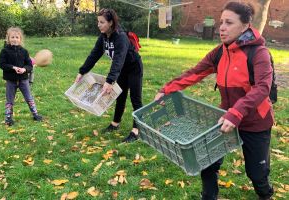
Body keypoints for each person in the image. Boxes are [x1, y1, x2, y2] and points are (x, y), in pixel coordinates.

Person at [154, 2, 274, 200]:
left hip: (255, 122)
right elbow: (195, 73)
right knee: (208, 162)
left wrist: (237, 112)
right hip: (223, 119)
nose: (222, 28)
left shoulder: (258, 53)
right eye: (221, 22)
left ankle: (265, 195)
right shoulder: (220, 52)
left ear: (245, 26)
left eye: (229, 23)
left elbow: (263, 87)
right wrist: (167, 89)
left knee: (257, 173)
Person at [75, 8, 143, 143]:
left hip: (134, 68)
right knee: (120, 96)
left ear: (111, 22)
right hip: (122, 70)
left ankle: (136, 130)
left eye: (102, 22)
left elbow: (118, 59)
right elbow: (94, 54)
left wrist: (110, 80)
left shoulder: (121, 37)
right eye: (98, 22)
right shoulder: (103, 37)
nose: (98, 25)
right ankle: (115, 123)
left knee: (135, 98)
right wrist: (82, 71)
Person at [0, 27, 43, 126]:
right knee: (10, 99)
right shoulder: (4, 51)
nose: (15, 39)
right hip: (11, 80)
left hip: (23, 80)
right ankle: (8, 118)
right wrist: (13, 67)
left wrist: (24, 69)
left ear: (20, 39)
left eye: (17, 37)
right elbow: (2, 64)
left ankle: (35, 114)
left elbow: (29, 65)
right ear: (8, 39)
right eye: (12, 37)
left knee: (29, 97)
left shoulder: (24, 51)